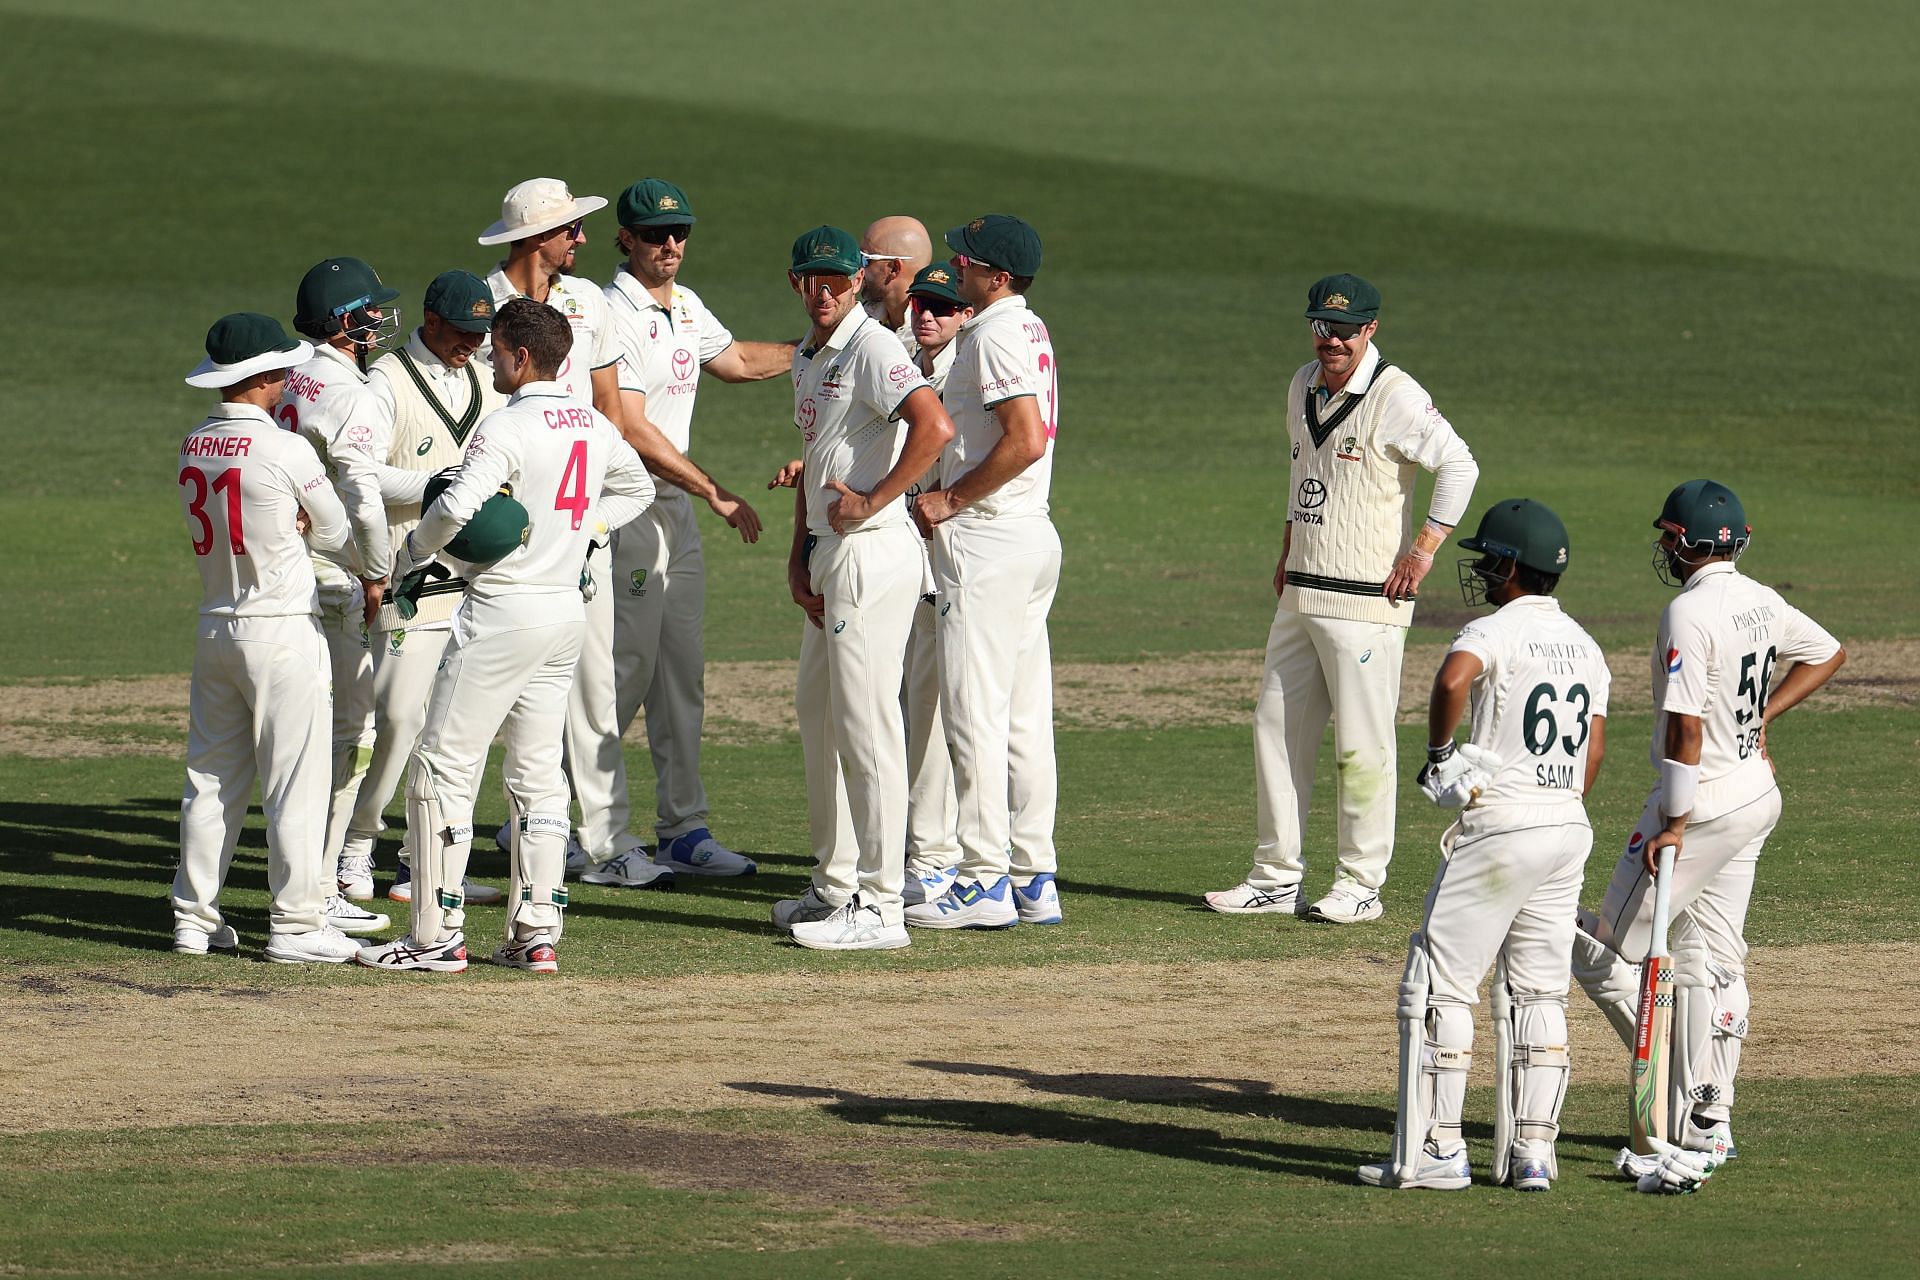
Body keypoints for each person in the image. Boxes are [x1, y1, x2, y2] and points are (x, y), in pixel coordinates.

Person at [357, 299, 656, 974]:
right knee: (538, 774)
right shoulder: (591, 423)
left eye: (497, 349)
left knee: (440, 767)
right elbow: (635, 490)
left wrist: (413, 561)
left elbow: (455, 506)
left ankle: (434, 935)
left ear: (522, 356)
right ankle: (536, 932)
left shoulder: (505, 427)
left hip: (502, 614)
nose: (491, 358)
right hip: (562, 616)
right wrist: (583, 536)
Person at [1572, 480, 1844, 1177]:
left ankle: (1661, 1097)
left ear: (1690, 544)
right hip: (1756, 794)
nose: (1664, 547)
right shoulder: (1762, 600)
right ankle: (1709, 1122)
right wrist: (1758, 724)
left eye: (1669, 536)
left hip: (1705, 806)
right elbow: (1827, 653)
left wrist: (1674, 821)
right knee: (1713, 962)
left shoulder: (1688, 613)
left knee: (1604, 949)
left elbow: (1687, 727)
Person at [1206, 274, 1479, 925]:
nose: (1333, 340)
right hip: (1300, 591)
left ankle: (1361, 883)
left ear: (1371, 330)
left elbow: (1460, 465)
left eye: (1347, 330)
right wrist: (1287, 546)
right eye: (1323, 328)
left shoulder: (1396, 395)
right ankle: (1275, 876)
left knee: (1361, 746)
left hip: (1365, 602)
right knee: (1275, 731)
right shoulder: (1301, 384)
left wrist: (1423, 550)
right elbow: (1304, 472)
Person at [1357, 499, 1608, 1193]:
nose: (1479, 571)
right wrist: (1554, 801)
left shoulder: (1492, 629)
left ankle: (1436, 1152)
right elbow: (1595, 749)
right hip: (1565, 827)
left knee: (1438, 985)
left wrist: (1441, 755)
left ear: (1509, 566)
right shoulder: (1586, 646)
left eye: (1485, 560)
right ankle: (1532, 1155)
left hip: (1501, 828)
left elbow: (1451, 680)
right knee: (1537, 993)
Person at [575, 178, 795, 887]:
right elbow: (628, 425)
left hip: (676, 516)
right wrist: (716, 491)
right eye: (654, 235)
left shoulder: (685, 306)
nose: (670, 246)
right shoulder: (613, 312)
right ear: (626, 240)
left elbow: (733, 362)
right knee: (620, 673)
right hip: (628, 509)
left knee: (681, 674)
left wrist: (824, 346)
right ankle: (582, 831)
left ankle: (684, 828)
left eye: (679, 234)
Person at [774, 225, 954, 951]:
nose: (823, 292)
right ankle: (835, 884)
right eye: (811, 280)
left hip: (871, 551)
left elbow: (934, 427)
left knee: (866, 722)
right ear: (795, 283)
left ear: (857, 282)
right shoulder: (809, 356)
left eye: (837, 281)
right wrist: (796, 555)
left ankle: (882, 907)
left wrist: (878, 499)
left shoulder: (875, 346)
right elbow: (818, 460)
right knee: (818, 712)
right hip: (827, 552)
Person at [171, 312, 368, 964]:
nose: (290, 376)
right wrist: (308, 523)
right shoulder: (286, 450)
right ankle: (296, 926)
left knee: (210, 780)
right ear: (258, 378)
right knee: (296, 783)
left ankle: (194, 922)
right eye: (280, 368)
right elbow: (339, 532)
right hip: (282, 629)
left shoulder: (195, 442)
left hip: (216, 626)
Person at [905, 215, 1064, 932]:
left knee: (974, 713)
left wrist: (950, 497)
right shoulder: (1026, 327)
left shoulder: (996, 332)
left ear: (997, 277)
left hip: (988, 540)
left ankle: (984, 882)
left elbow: (1024, 439)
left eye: (965, 260)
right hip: (1030, 535)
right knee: (1024, 717)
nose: (954, 266)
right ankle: (1034, 877)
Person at [336, 271, 508, 908]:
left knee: (456, 730)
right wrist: (439, 484)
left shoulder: (486, 379)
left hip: (477, 582)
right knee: (399, 719)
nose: (472, 343)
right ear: (431, 322)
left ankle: (426, 865)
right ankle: (355, 848)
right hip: (413, 579)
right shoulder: (387, 381)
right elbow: (360, 474)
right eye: (462, 332)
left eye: (480, 333)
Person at [283, 256, 405, 938]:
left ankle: (307, 878)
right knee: (350, 736)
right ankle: (322, 882)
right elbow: (359, 489)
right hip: (334, 574)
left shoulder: (291, 372)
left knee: (297, 730)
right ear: (342, 322)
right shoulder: (353, 394)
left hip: (288, 567)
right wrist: (376, 568)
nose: (379, 323)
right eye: (368, 314)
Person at [899, 265, 969, 903]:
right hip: (906, 557)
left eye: (944, 308)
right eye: (922, 303)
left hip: (946, 559)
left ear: (965, 314)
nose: (929, 315)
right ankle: (922, 848)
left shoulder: (963, 375)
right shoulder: (906, 360)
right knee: (912, 706)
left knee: (935, 710)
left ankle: (935, 856)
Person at [858, 216, 934, 341]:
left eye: (865, 260)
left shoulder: (934, 333)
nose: (858, 268)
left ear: (894, 268)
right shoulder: (860, 320)